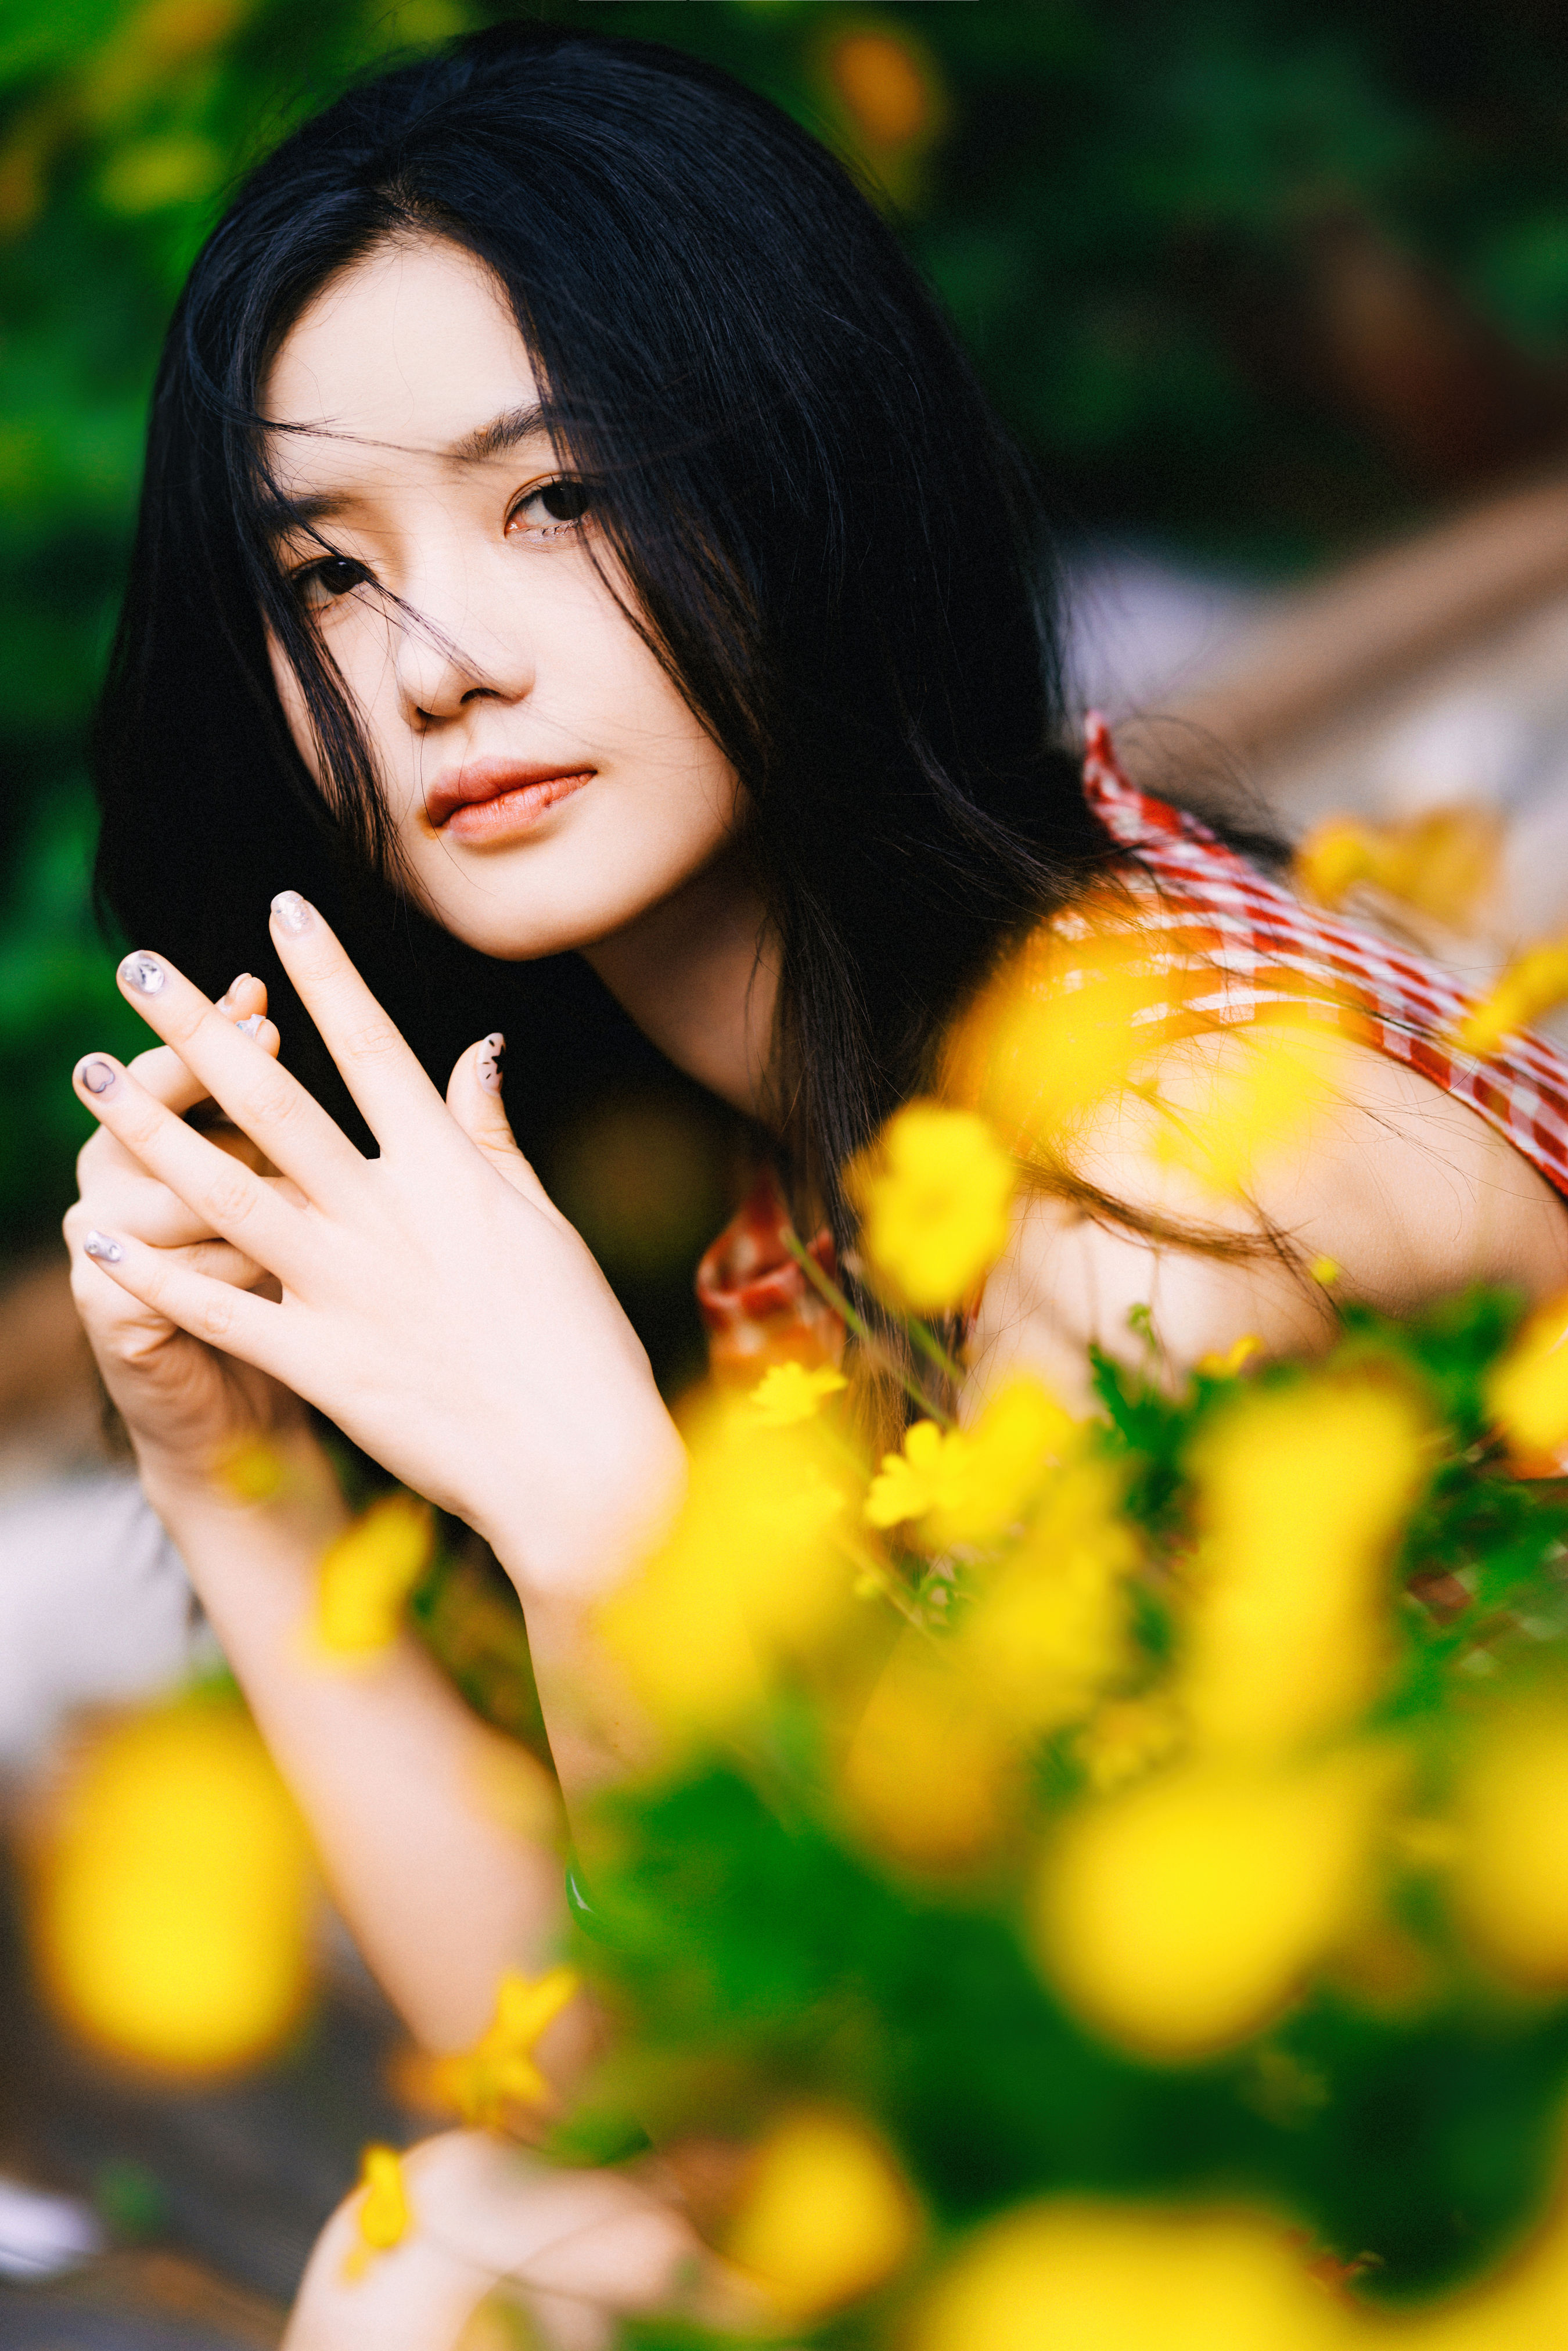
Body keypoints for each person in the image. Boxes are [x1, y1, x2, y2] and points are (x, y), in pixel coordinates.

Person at [62, 23, 1568, 2345]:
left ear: (808, 467)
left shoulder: (1160, 1189)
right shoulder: (809, 1171)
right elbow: (585, 2061)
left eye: (554, 497)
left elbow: (791, 2139)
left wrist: (600, 1519)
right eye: (326, 575)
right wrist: (236, 1477)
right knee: (454, 2248)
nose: (440, 663)